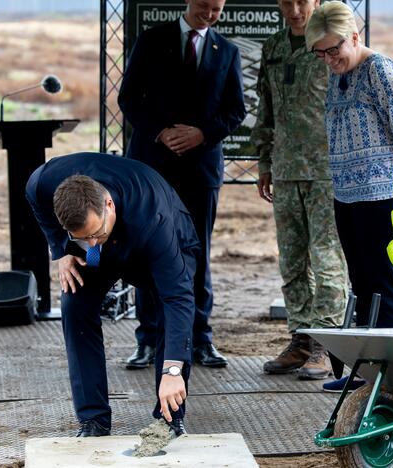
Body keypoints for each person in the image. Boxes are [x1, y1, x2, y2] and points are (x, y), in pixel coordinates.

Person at [26, 152, 200, 437]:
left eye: (94, 233)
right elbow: (36, 198)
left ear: (108, 205)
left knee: (169, 315)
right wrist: (61, 250)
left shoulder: (154, 219)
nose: (91, 242)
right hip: (102, 238)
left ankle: (168, 419)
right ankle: (93, 419)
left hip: (158, 240)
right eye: (82, 237)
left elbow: (178, 299)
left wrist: (173, 371)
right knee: (75, 304)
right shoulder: (45, 182)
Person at [305, 1, 393, 391]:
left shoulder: (380, 70)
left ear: (355, 37)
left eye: (334, 49)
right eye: (321, 53)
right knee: (361, 284)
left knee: (383, 283)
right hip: (347, 194)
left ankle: (389, 379)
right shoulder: (338, 76)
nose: (329, 58)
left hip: (382, 195)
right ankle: (368, 376)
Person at [118, 0, 246, 369]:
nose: (210, 14)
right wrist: (162, 132)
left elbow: (235, 110)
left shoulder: (229, 51)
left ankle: (199, 339)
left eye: (217, 9)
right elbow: (129, 98)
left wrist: (201, 134)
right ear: (188, 1)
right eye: (204, 6)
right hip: (151, 167)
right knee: (146, 251)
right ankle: (149, 340)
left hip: (200, 169)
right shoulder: (151, 40)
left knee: (197, 253)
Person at [251, 0, 348, 380]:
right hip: (286, 167)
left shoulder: (329, 44)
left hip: (326, 168)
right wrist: (264, 161)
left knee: (326, 256)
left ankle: (326, 343)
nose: (294, 10)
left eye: (303, 2)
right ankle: (301, 338)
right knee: (291, 259)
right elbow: (266, 107)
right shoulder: (273, 46)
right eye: (287, 2)